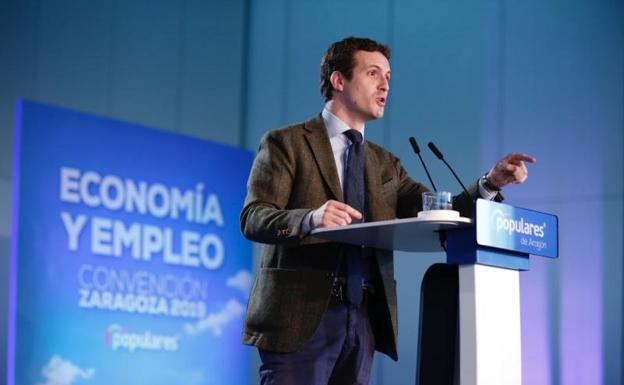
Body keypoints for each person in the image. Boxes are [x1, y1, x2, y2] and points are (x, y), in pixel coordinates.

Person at [240, 36, 535, 385]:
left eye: (389, 77)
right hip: (299, 319)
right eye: (373, 73)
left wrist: (489, 182)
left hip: (362, 318)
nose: (385, 85)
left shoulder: (385, 164)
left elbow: (440, 213)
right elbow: (254, 216)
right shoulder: (286, 143)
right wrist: (310, 218)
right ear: (339, 80)